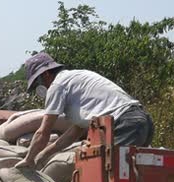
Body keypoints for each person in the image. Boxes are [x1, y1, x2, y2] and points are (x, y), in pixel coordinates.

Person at [15, 52, 154, 169]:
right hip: (142, 122)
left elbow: (43, 132)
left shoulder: (57, 86)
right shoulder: (77, 78)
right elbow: (73, 133)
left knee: (106, 174)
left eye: (37, 84)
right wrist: (43, 155)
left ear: (46, 75)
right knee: (132, 177)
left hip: (125, 124)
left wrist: (29, 159)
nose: (40, 88)